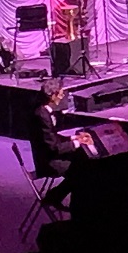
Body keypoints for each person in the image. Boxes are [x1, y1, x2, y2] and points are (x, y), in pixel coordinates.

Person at [30, 78, 93, 211]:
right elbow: (53, 147)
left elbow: (52, 138)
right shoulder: (42, 116)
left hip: (50, 155)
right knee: (82, 172)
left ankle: (55, 196)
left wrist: (73, 137)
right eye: (60, 93)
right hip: (48, 162)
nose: (63, 96)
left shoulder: (44, 112)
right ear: (52, 96)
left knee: (83, 165)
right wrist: (77, 143)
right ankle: (77, 209)